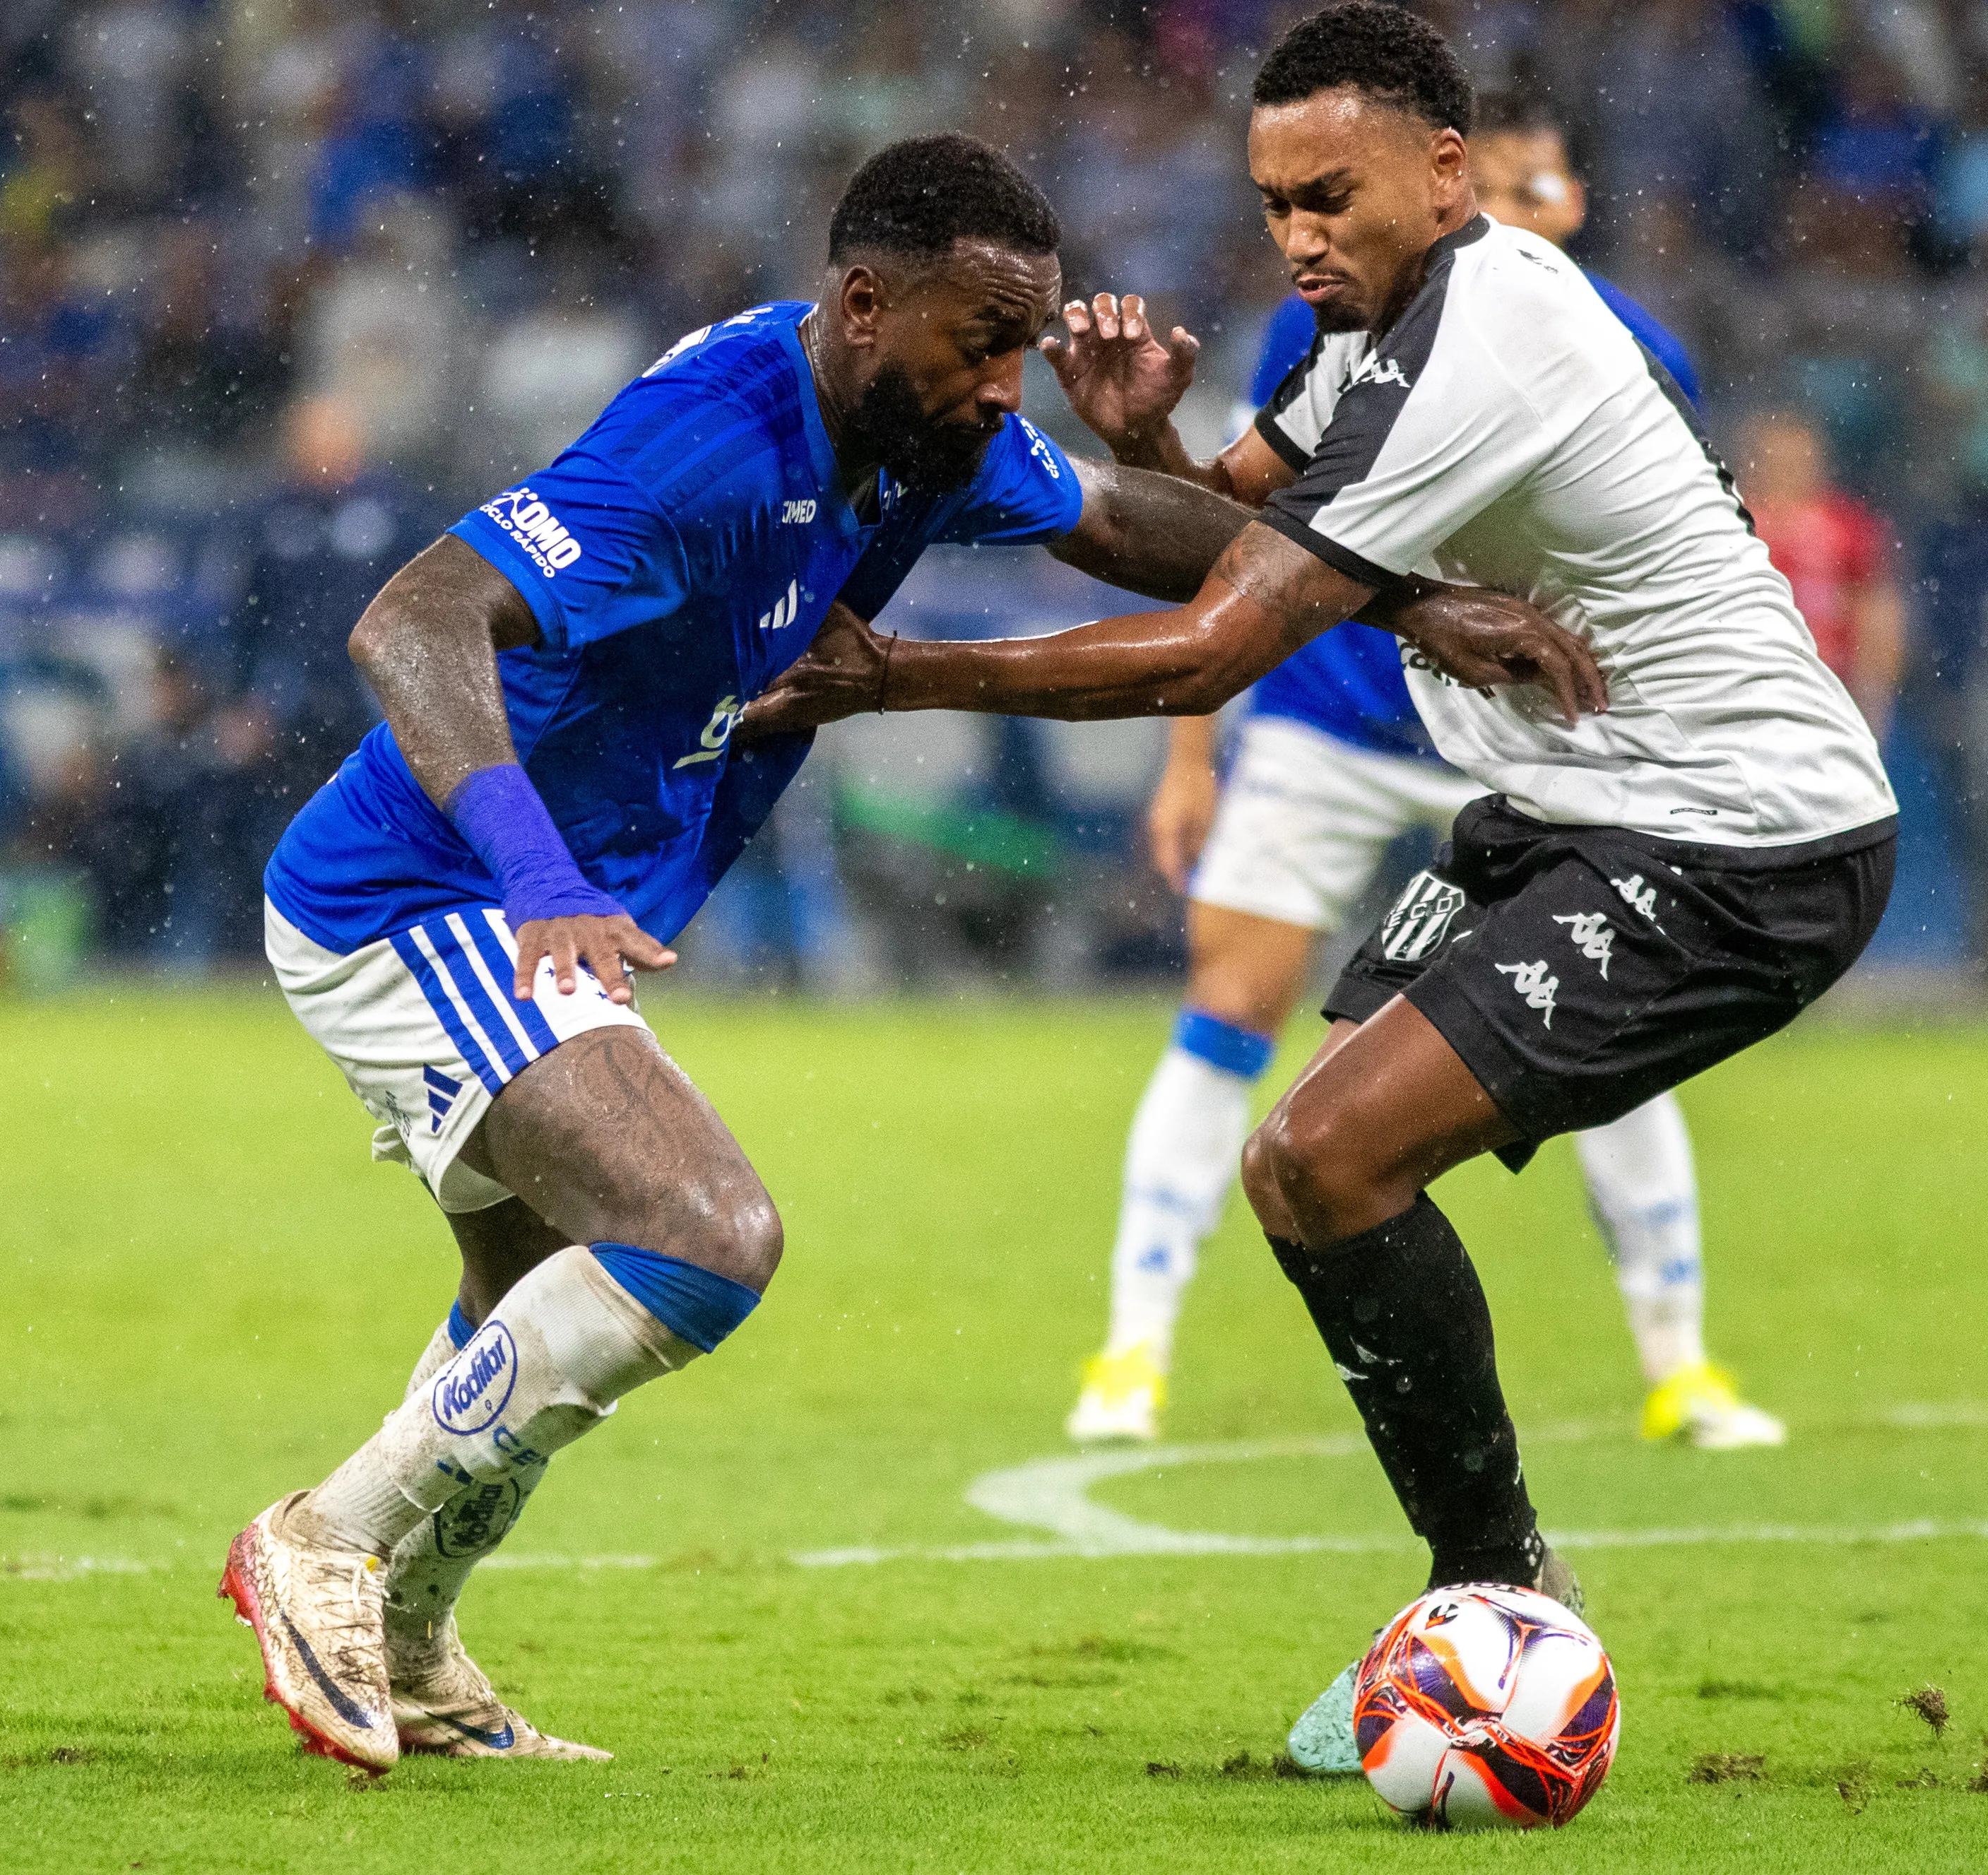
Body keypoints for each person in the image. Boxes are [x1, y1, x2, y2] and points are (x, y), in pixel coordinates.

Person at [224, 131, 1582, 1775]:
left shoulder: (920, 426)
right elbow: (413, 621)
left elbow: (1127, 520)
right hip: (427, 891)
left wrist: (1400, 598)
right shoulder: (703, 447)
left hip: (540, 896)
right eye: (981, 344)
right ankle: (322, 1540)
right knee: (701, 1234)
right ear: (863, 305)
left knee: (530, 1296)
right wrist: (531, 879)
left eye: (1024, 344)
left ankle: (418, 1646)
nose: (1010, 387)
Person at [745, 4, 1897, 1769]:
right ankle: (1489, 1601)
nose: (1296, 235)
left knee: (1321, 1154)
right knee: (1310, 1174)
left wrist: (894, 672)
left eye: (1329, 196)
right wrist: (1139, 440)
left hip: (1742, 837)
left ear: (1446, 176)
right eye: (1273, 199)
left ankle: (1500, 1606)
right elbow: (1229, 532)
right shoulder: (1366, 332)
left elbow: (1211, 651)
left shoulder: (1489, 331)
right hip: (1565, 809)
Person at [1065, 90, 1786, 1455]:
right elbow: (1225, 532)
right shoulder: (1340, 317)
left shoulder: (1638, 348)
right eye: (1500, 177)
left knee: (1605, 1040)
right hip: (1330, 721)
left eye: (1540, 179)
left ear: (1556, 204)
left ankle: (1679, 1363)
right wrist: (1186, 758)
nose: (1515, 203)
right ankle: (1130, 1349)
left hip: (1534, 747)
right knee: (1234, 1000)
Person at [1735, 407, 1907, 736]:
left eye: (1797, 459)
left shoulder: (1847, 526)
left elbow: (1877, 611)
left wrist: (1873, 701)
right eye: (1778, 460)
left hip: (1831, 693)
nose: (1787, 470)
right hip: (1754, 690)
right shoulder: (1735, 521)